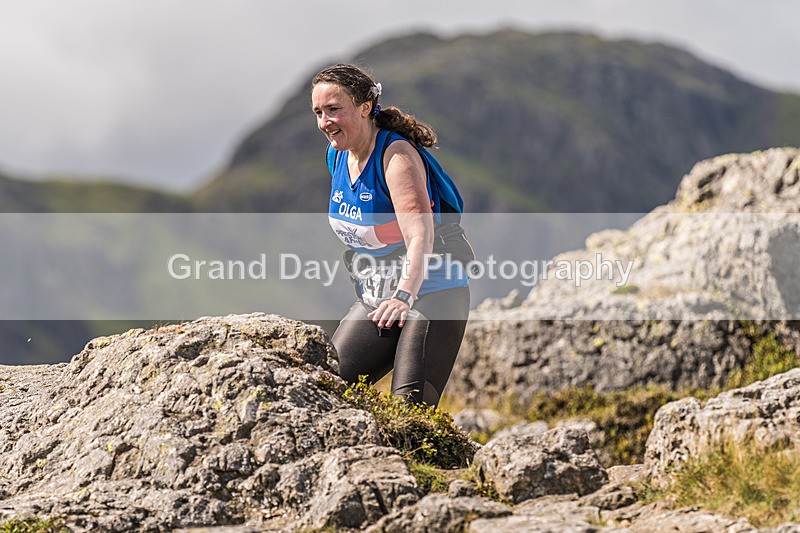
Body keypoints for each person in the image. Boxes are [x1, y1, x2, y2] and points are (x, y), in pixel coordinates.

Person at [311, 63, 471, 407]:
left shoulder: (396, 158)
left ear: (365, 107)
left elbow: (419, 236)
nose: (326, 122)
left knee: (408, 411)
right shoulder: (336, 156)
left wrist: (402, 295)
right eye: (319, 112)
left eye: (335, 109)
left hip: (432, 293)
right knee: (326, 389)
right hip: (377, 296)